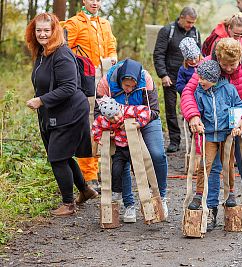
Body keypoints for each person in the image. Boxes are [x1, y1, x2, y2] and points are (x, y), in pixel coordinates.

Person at [181, 38, 242, 229]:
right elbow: (188, 93)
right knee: (213, 166)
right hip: (214, 125)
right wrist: (193, 116)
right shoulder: (207, 66)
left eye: (232, 65)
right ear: (217, 58)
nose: (228, 69)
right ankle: (210, 208)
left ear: (240, 59)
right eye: (224, 64)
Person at [25, 13, 98, 216]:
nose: (42, 34)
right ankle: (85, 190)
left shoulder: (61, 54)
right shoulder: (42, 52)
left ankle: (68, 204)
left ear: (55, 31)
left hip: (71, 112)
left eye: (46, 30)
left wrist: (41, 100)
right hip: (55, 112)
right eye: (38, 30)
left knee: (57, 158)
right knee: (62, 155)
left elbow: (69, 87)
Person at [96, 58, 169, 218]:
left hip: (145, 120)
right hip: (118, 123)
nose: (129, 90)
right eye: (126, 86)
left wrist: (138, 123)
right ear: (120, 79)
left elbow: (154, 110)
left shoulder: (146, 80)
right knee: (121, 158)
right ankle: (129, 205)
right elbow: (98, 112)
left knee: (156, 154)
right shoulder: (106, 82)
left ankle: (160, 196)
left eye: (132, 86)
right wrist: (109, 127)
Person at [63, 0, 118, 192]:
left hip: (105, 80)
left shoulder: (104, 23)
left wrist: (112, 58)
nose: (95, 2)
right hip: (85, 81)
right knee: (87, 125)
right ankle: (89, 174)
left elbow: (111, 46)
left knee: (107, 122)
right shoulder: (74, 23)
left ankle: (105, 168)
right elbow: (63, 50)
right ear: (84, 1)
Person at [187, 60, 242, 215]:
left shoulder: (229, 90)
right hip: (210, 135)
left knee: (228, 163)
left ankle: (230, 192)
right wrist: (196, 121)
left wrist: (236, 124)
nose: (199, 81)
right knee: (205, 164)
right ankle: (199, 194)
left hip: (227, 134)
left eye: (203, 78)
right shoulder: (199, 92)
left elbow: (238, 105)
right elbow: (197, 110)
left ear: (213, 79)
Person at [92, 97, 150, 222]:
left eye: (117, 114)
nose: (116, 119)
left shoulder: (129, 111)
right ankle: (117, 191)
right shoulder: (103, 120)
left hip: (133, 147)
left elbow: (146, 110)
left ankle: (147, 194)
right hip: (120, 149)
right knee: (116, 169)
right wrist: (99, 138)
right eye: (112, 118)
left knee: (139, 170)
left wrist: (139, 123)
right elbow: (96, 127)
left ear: (119, 108)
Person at [153, 7, 201, 153]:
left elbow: (200, 53)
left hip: (192, 77)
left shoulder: (195, 33)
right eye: (188, 22)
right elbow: (158, 54)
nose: (190, 25)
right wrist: (163, 74)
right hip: (171, 77)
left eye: (193, 22)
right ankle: (174, 140)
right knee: (171, 110)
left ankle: (195, 137)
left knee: (194, 107)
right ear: (181, 18)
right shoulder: (167, 31)